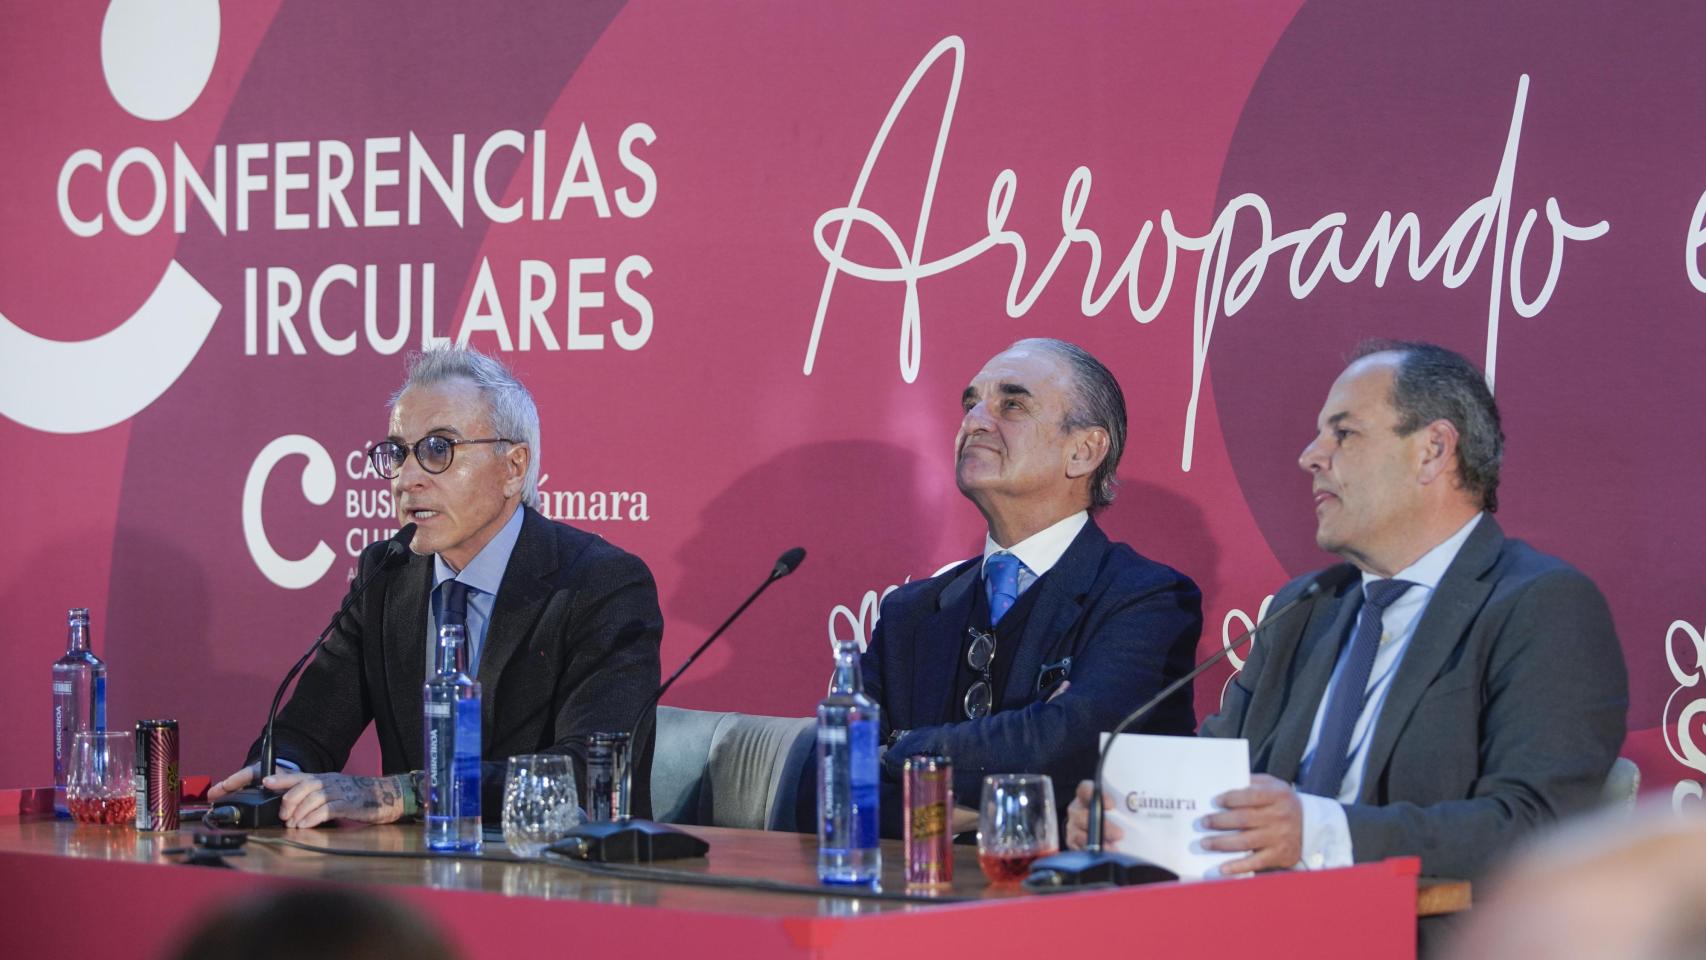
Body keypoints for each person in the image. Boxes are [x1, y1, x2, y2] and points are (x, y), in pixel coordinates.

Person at [1067, 341, 1628, 885]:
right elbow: (1215, 772)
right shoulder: (1304, 607)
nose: (1310, 457)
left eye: (1344, 433)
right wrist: (1130, 812)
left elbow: (1538, 829)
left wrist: (1316, 832)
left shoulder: (1539, 604)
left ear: (1432, 450)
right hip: (1252, 923)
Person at [209, 346, 663, 826]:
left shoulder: (601, 584)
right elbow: (309, 727)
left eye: (438, 450)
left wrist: (407, 793)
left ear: (513, 467)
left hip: (557, 878)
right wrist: (278, 774)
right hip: (416, 878)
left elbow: (590, 772)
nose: (407, 480)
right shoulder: (386, 575)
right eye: (398, 454)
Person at [858, 337, 1202, 837]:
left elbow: (1070, 741)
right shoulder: (909, 614)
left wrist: (905, 748)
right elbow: (832, 789)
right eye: (971, 403)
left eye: (1012, 405)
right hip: (904, 903)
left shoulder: (1147, 599)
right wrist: (1000, 796)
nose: (975, 421)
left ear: (1083, 451)